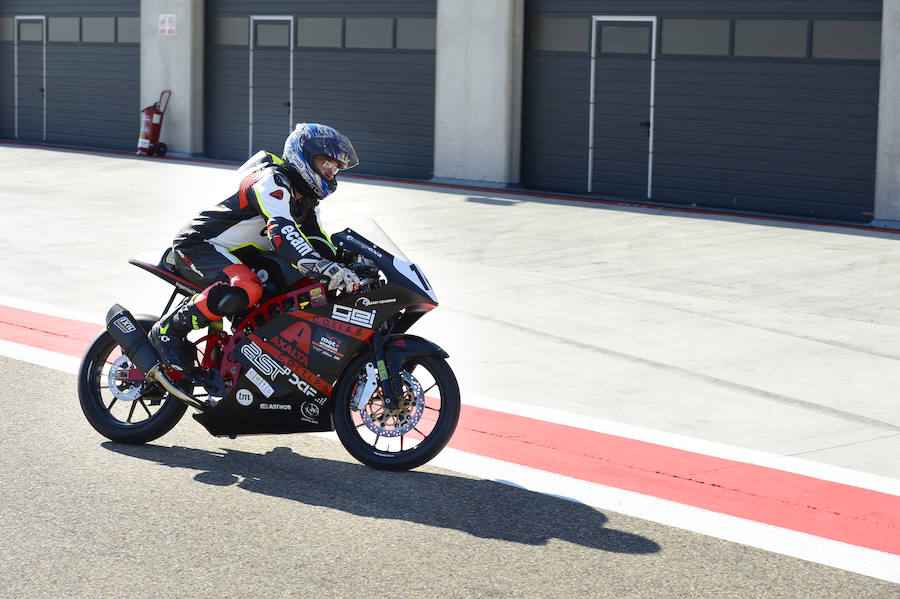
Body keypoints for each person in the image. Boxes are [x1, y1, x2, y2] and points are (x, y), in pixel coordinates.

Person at [149, 123, 361, 374]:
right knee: (245, 287)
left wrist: (350, 264)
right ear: (303, 155)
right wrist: (322, 265)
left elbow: (319, 242)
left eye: (336, 167)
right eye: (326, 162)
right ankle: (168, 330)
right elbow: (281, 230)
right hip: (199, 245)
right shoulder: (271, 180)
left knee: (297, 287)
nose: (331, 171)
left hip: (240, 257)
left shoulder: (306, 200)